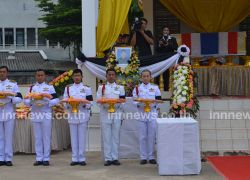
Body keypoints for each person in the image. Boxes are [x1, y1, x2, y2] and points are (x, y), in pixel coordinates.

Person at [24, 69, 59, 166]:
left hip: (46, 113)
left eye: (41, 75)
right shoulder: (31, 88)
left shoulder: (49, 87)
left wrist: (48, 102)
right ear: (36, 76)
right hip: (35, 113)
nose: (40, 77)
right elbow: (25, 101)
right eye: (38, 75)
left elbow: (56, 100)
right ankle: (39, 158)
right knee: (37, 137)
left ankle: (46, 158)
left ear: (45, 76)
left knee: (46, 137)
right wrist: (31, 102)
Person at [63, 69, 93, 166]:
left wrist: (84, 104)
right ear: (72, 77)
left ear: (81, 77)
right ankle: (74, 158)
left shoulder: (86, 88)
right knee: (74, 138)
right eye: (75, 75)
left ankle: (82, 158)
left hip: (83, 114)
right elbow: (64, 102)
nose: (76, 77)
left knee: (82, 137)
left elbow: (90, 102)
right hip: (72, 114)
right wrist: (69, 104)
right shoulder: (68, 89)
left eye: (78, 75)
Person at [97, 68, 125, 166]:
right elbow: (98, 100)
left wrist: (118, 108)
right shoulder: (102, 88)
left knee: (115, 136)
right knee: (106, 136)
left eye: (113, 74)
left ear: (115, 76)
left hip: (117, 113)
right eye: (109, 74)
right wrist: (106, 105)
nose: (111, 76)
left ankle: (115, 157)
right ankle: (108, 158)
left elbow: (123, 101)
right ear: (106, 76)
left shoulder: (120, 88)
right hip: (105, 113)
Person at [133, 70, 161, 165]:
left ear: (150, 77)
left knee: (152, 136)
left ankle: (152, 156)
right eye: (144, 76)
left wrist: (152, 105)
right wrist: (141, 103)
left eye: (147, 76)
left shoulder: (155, 88)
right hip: (141, 114)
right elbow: (134, 101)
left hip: (152, 114)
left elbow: (159, 100)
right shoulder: (137, 89)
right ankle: (143, 157)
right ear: (141, 77)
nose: (145, 77)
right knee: (142, 137)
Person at [0, 66, 22, 166]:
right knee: (0, 137)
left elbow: (19, 98)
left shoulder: (13, 84)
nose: (2, 74)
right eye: (0, 72)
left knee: (8, 136)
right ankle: (1, 158)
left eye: (3, 72)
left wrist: (10, 99)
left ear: (7, 73)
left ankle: (8, 158)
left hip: (8, 112)